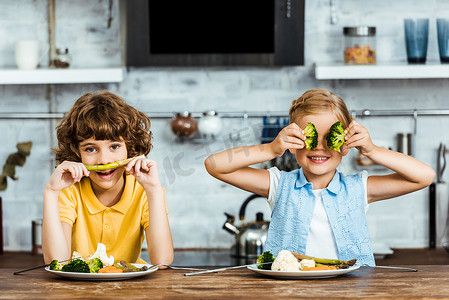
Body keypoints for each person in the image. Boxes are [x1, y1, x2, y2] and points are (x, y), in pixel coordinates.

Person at [205, 88, 435, 265]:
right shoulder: (278, 185)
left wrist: (372, 150)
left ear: (345, 146)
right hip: (289, 292)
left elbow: (424, 176)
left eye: (331, 138)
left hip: (351, 292)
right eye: (310, 138)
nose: (320, 148)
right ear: (294, 145)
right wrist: (271, 149)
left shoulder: (359, 189)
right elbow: (214, 165)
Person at [42, 90, 174, 267]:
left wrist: (154, 190)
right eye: (90, 149)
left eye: (114, 146)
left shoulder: (144, 190)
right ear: (76, 152)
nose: (104, 160)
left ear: (130, 147)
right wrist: (51, 192)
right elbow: (56, 262)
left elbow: (163, 262)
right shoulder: (69, 191)